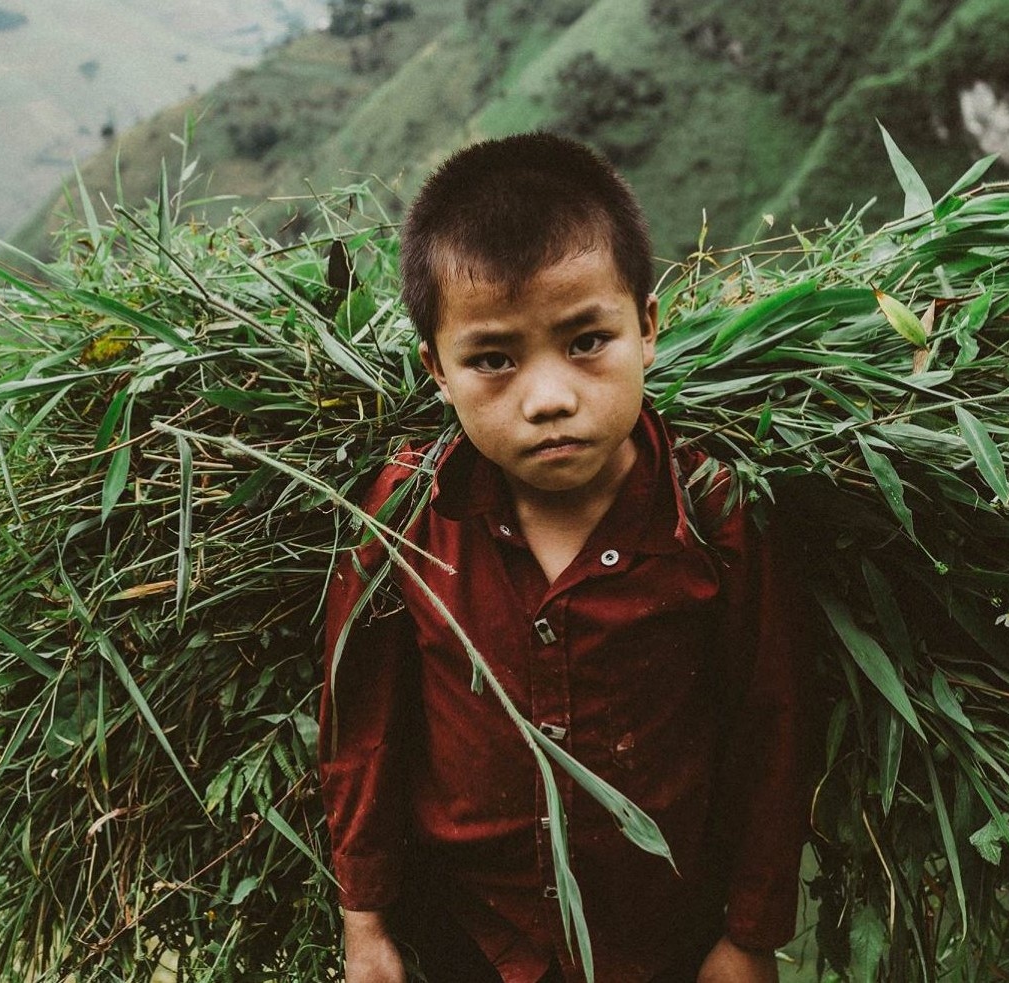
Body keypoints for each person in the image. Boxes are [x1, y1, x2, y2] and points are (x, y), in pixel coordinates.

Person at [318, 132, 815, 983]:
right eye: (493, 360)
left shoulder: (712, 516)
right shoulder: (404, 514)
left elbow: (772, 730)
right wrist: (365, 923)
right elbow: (362, 722)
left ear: (648, 328)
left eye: (587, 341)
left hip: (663, 943)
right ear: (436, 369)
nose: (549, 398)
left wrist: (749, 936)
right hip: (466, 940)